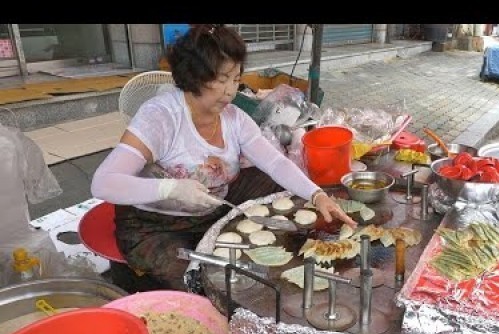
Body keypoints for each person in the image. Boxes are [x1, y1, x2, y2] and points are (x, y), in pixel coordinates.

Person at [91, 24, 356, 290]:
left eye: (236, 78)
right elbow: (103, 183)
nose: (231, 91)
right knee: (202, 282)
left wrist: (317, 194)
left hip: (216, 204)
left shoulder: (234, 118)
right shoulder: (160, 116)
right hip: (157, 224)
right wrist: (172, 187)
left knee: (278, 185)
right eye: (221, 79)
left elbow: (275, 162)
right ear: (194, 75)